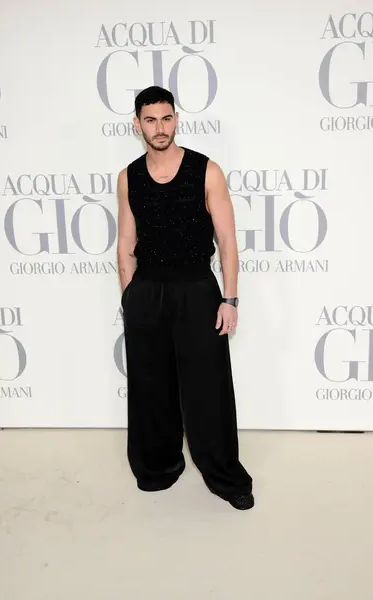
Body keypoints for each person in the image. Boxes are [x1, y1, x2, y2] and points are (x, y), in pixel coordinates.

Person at [116, 86, 254, 510]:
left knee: (207, 388)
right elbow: (125, 244)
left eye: (167, 118)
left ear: (177, 120)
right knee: (151, 385)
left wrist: (229, 299)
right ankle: (158, 466)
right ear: (137, 123)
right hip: (147, 293)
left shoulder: (206, 170)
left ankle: (224, 475)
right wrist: (131, 299)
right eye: (151, 119)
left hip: (197, 289)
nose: (160, 128)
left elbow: (228, 241)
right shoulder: (128, 177)